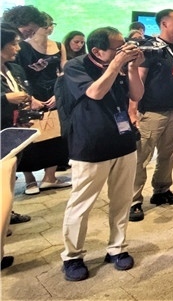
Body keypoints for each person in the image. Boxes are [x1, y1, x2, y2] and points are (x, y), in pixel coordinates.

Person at [60, 27, 144, 281]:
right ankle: (72, 256)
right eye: (118, 48)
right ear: (97, 51)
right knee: (81, 203)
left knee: (122, 200)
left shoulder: (120, 64)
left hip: (123, 142)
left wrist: (132, 67)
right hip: (90, 144)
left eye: (124, 45)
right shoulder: (76, 67)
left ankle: (117, 248)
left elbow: (137, 95)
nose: (123, 50)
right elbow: (95, 93)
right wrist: (117, 64)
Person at [129, 9, 173, 222]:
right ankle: (133, 200)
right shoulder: (150, 48)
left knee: (168, 154)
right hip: (151, 111)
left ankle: (162, 190)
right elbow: (139, 78)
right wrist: (132, 110)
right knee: (141, 157)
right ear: (164, 24)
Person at [2, 26, 47, 268]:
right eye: (13, 44)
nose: (18, 49)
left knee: (8, 180)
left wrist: (30, 104)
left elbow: (24, 93)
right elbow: (9, 97)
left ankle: (6, 215)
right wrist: (5, 99)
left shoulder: (14, 69)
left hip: (14, 132)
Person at [15, 13, 71, 194]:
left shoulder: (59, 45)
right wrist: (29, 98)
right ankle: (29, 179)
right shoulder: (22, 47)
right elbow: (17, 73)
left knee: (55, 134)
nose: (50, 28)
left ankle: (50, 177)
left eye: (52, 24)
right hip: (29, 93)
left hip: (53, 93)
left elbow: (64, 70)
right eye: (46, 25)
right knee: (29, 136)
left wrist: (58, 93)